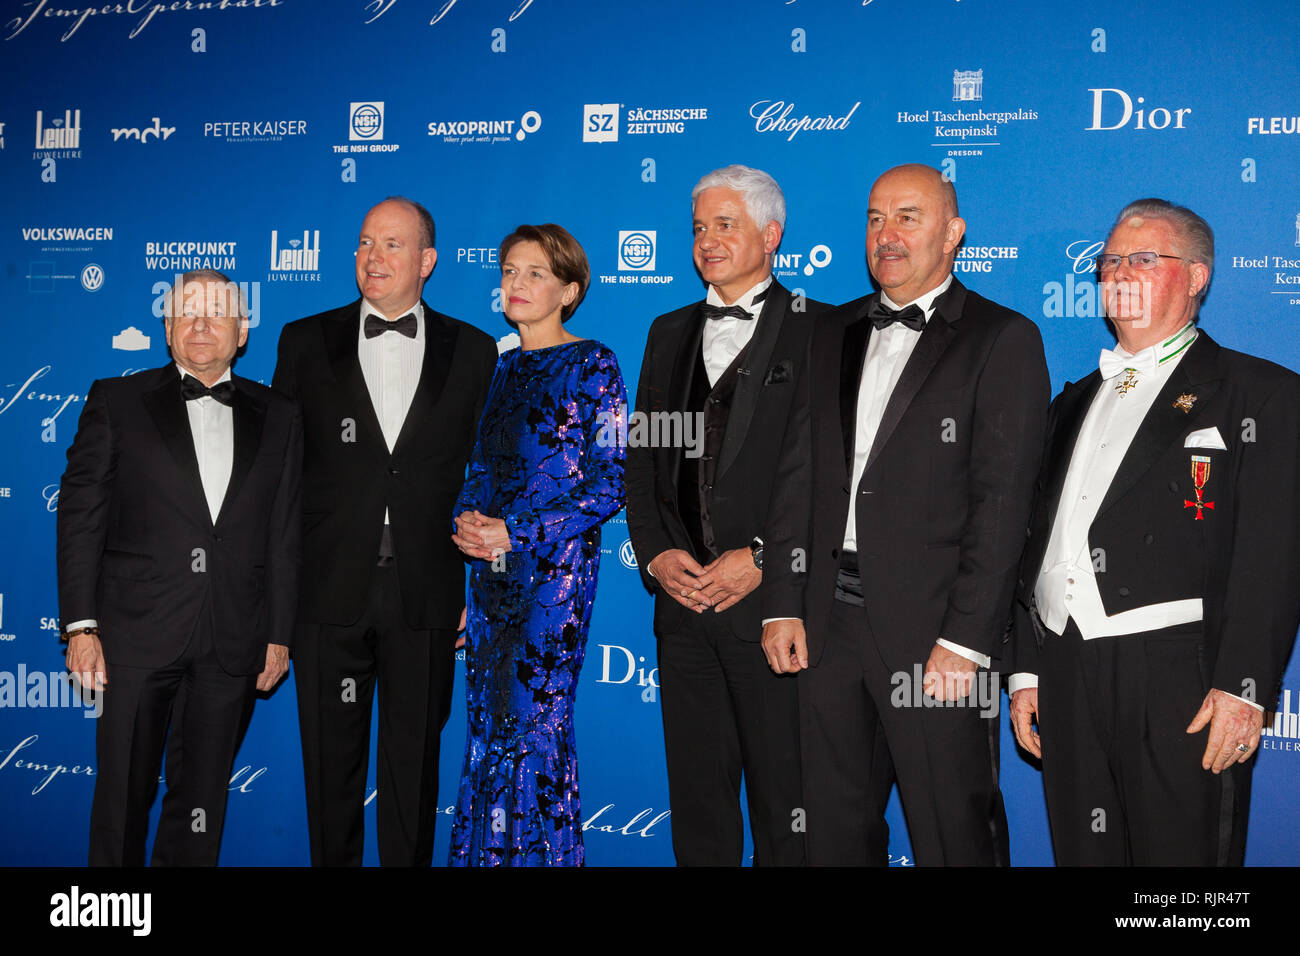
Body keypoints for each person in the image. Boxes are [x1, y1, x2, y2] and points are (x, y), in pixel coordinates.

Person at [761, 164, 1049, 866]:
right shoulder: (829, 331)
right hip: (826, 625)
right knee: (831, 833)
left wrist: (968, 641)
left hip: (938, 638)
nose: (886, 234)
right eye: (874, 218)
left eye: (908, 217)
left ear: (953, 233)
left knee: (954, 833)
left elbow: (1004, 506)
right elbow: (799, 474)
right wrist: (781, 603)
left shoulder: (1001, 338)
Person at [1009, 199, 1300, 866]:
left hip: (1183, 679)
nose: (1121, 271)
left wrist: (1243, 687)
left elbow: (1273, 556)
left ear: (1196, 277)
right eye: (1111, 260)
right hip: (1066, 668)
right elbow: (1036, 543)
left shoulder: (1261, 394)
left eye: (1144, 258)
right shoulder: (1071, 400)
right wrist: (1025, 667)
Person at [272, 197, 497, 866]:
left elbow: (488, 476)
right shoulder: (304, 340)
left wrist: (477, 585)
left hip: (426, 593)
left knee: (413, 772)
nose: (374, 257)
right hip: (326, 592)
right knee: (329, 775)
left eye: (393, 245)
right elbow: (282, 475)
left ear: (427, 261)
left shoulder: (476, 349)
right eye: (366, 242)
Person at [58, 269, 301, 866]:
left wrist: (278, 634)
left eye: (217, 313)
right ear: (166, 328)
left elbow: (285, 532)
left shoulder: (280, 415)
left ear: (242, 331)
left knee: (200, 807)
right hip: (134, 637)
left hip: (232, 639)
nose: (201, 325)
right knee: (121, 801)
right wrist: (81, 627)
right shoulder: (117, 402)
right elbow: (81, 517)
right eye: (187, 311)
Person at [625, 164, 828, 866]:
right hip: (683, 614)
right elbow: (644, 458)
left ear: (771, 236)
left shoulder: (820, 329)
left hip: (775, 613)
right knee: (700, 815)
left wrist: (767, 560)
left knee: (787, 810)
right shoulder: (667, 330)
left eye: (726, 224)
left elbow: (833, 474)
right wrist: (654, 555)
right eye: (699, 228)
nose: (708, 240)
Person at [447, 223, 626, 866]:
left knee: (533, 731)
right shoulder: (499, 369)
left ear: (569, 291)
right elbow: (480, 474)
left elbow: (613, 481)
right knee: (488, 731)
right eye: (510, 272)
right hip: (490, 578)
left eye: (536, 274)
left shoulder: (592, 362)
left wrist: (516, 532)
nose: (517, 285)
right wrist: (465, 527)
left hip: (552, 581)